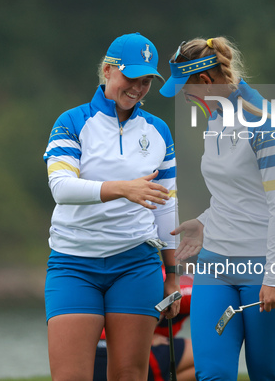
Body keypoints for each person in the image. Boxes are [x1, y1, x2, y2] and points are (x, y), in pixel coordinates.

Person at [160, 37, 275, 380]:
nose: (184, 96)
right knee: (211, 374)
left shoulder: (268, 124)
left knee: (267, 374)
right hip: (215, 265)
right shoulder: (215, 121)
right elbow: (234, 195)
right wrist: (204, 222)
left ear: (206, 82)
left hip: (266, 267)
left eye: (185, 87)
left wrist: (274, 276)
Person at [43, 32, 180, 381]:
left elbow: (165, 205)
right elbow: (61, 187)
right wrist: (124, 189)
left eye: (146, 80)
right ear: (107, 71)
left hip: (137, 264)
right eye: (131, 78)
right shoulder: (72, 122)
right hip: (74, 264)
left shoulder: (159, 131)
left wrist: (173, 275)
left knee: (129, 376)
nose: (138, 87)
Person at [93, 269, 196, 381]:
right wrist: (148, 337)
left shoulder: (163, 272)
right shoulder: (189, 287)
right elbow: (158, 301)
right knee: (208, 356)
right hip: (118, 350)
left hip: (97, 350)